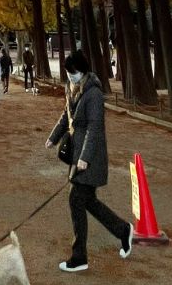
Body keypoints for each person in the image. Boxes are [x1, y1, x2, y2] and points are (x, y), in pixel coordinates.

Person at [46, 50, 133, 273]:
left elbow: (95, 128)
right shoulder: (72, 88)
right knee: (87, 201)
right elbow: (67, 116)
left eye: (73, 73)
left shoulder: (93, 93)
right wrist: (53, 137)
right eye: (68, 73)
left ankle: (79, 256)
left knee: (77, 198)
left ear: (82, 71)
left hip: (90, 157)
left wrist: (85, 157)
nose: (70, 76)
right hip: (78, 153)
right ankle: (123, 230)